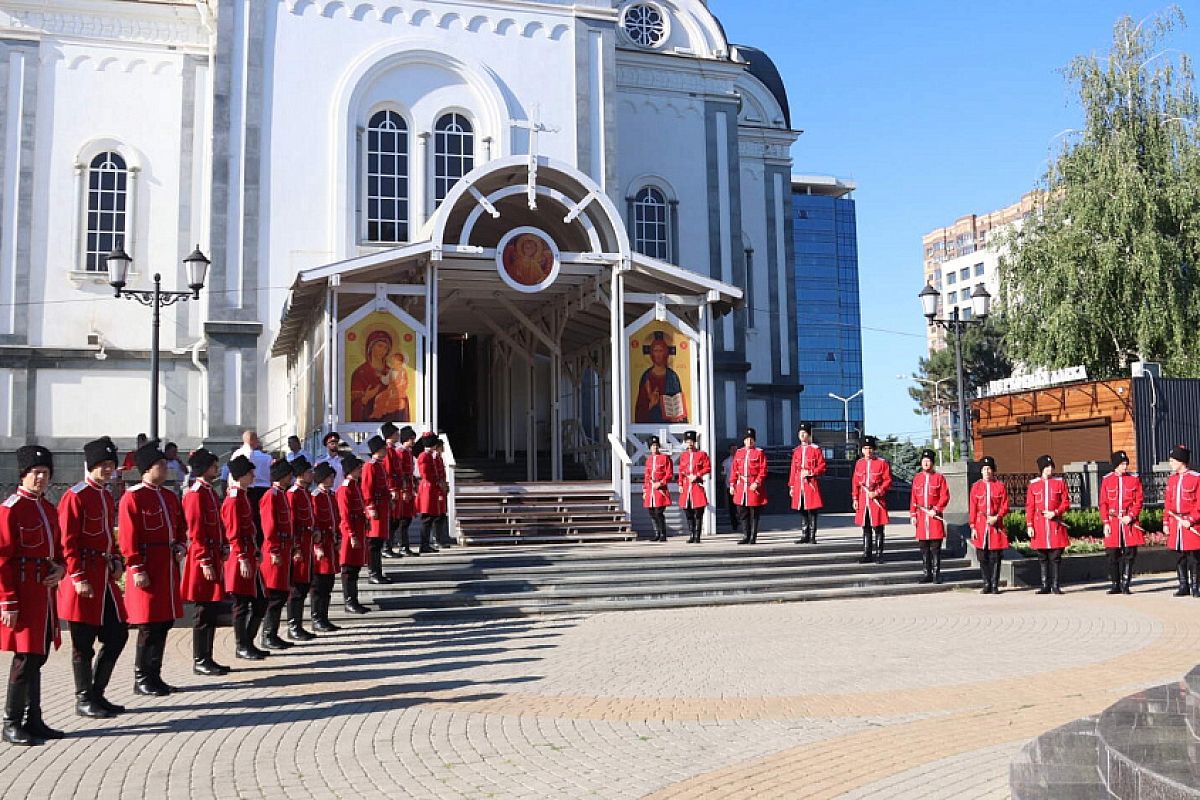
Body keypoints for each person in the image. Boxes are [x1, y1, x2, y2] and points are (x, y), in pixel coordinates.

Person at [0, 445, 66, 745]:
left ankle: (34, 717)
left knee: (37, 656)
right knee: (25, 658)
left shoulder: (49, 508)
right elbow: (2, 560)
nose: (41, 478)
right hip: (23, 594)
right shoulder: (10, 509)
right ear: (24, 475)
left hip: (44, 592)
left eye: (46, 473)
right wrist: (8, 600)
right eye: (36, 473)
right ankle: (11, 721)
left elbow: (59, 550)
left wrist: (61, 569)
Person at [58, 437, 127, 719]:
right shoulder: (75, 495)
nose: (108, 470)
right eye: (103, 465)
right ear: (90, 465)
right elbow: (68, 540)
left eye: (111, 465)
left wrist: (116, 559)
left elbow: (107, 536)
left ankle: (97, 692)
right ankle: (84, 697)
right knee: (83, 643)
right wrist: (76, 574)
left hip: (104, 575)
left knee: (118, 634)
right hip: (83, 576)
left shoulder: (105, 494)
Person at [119, 440, 186, 696]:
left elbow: (180, 526)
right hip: (148, 565)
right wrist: (136, 567)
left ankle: (155, 674)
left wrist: (180, 544)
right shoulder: (133, 497)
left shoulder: (168, 496)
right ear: (147, 468)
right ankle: (141, 676)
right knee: (148, 625)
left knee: (163, 622)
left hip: (166, 565)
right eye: (160, 464)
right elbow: (128, 536)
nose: (165, 468)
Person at [180, 448, 229, 676]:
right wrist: (204, 560)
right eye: (213, 466)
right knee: (203, 611)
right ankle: (200, 658)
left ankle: (207, 656)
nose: (216, 469)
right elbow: (196, 531)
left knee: (211, 610)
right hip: (203, 559)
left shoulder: (208, 491)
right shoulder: (195, 494)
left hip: (213, 555)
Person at [222, 455, 269, 661]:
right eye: (250, 473)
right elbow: (233, 531)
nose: (253, 475)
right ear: (241, 475)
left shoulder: (243, 496)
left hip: (250, 553)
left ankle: (248, 641)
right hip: (240, 557)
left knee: (260, 601)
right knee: (242, 603)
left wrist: (255, 550)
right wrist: (242, 556)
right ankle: (242, 644)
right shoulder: (233, 499)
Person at [258, 459, 297, 650]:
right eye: (288, 474)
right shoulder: (271, 495)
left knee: (281, 593)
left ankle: (272, 632)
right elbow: (269, 525)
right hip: (275, 549)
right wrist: (274, 549)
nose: (291, 477)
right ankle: (267, 634)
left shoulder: (281, 495)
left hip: (285, 547)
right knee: (275, 595)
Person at [1099, 450, 1144, 595]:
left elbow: (1138, 501)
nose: (1124, 467)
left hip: (1128, 521)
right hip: (1113, 521)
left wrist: (1131, 516)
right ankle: (1115, 584)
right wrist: (1105, 522)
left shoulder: (1134, 479)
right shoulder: (1107, 480)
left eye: (1125, 464)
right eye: (1121, 464)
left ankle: (1126, 583)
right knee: (1112, 554)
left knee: (1130, 553)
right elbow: (1103, 503)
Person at [1026, 455, 1070, 595]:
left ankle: (1056, 584)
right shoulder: (1034, 485)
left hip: (1054, 524)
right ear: (1041, 469)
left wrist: (1056, 512)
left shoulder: (1059, 483)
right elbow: (1030, 506)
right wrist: (1029, 525)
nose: (1050, 469)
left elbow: (1066, 502)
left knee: (1055, 556)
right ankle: (1045, 584)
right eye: (1047, 467)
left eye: (1051, 466)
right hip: (1040, 525)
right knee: (1042, 556)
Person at [285, 457, 316, 641]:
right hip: (299, 546)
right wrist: (295, 547)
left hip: (308, 542)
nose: (311, 474)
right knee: (296, 588)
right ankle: (293, 625)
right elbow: (292, 523)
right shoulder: (293, 494)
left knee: (304, 586)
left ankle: (298, 623)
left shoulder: (304, 492)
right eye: (308, 472)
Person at [969, 456, 1010, 595]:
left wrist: (996, 517)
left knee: (996, 557)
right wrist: (973, 526)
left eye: (989, 469)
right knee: (982, 556)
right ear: (981, 471)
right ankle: (986, 583)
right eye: (984, 469)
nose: (987, 471)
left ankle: (994, 584)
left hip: (995, 526)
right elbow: (973, 507)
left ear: (993, 471)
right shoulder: (976, 487)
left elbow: (1005, 505)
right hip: (981, 526)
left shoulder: (1000, 486)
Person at [1164, 444, 1200, 597]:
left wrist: (1191, 519)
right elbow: (1168, 504)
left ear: (1181, 461)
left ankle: (1196, 586)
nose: (1170, 463)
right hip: (1176, 523)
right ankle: (1183, 585)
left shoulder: (1196, 478)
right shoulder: (1172, 480)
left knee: (1194, 557)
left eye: (1173, 460)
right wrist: (1166, 522)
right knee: (1179, 556)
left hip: (1190, 523)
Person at [309, 462, 341, 632]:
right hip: (321, 545)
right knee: (318, 585)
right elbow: (315, 522)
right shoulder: (315, 496)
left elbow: (336, 519)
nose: (331, 479)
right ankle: (317, 617)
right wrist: (317, 545)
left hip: (331, 543)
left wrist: (338, 537)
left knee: (328, 583)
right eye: (329, 477)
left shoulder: (331, 495)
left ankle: (324, 616)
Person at [909, 449, 949, 583]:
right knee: (924, 547)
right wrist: (913, 514)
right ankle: (927, 573)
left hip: (933, 517)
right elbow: (914, 498)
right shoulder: (917, 478)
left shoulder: (939, 478)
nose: (926, 463)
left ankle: (937, 574)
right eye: (924, 461)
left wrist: (937, 509)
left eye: (928, 461)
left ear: (932, 463)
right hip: (921, 516)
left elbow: (945, 496)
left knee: (935, 548)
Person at [852, 436, 893, 563]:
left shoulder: (882, 463)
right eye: (865, 448)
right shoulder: (859, 464)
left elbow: (888, 481)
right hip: (864, 500)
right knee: (866, 527)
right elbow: (855, 482)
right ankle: (867, 554)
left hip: (877, 501)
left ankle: (879, 554)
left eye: (870, 448)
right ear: (862, 450)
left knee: (878, 528)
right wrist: (855, 498)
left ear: (874, 449)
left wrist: (877, 492)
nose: (868, 451)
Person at [337, 455, 370, 614]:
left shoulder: (355, 485)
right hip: (351, 531)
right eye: (358, 468)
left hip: (359, 527)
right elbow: (344, 514)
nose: (361, 470)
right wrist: (351, 534)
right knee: (349, 569)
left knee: (355, 568)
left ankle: (354, 600)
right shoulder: (345, 488)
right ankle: (349, 601)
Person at [634, 331, 688, 423]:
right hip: (650, 426)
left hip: (670, 425)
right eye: (655, 351)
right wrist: (651, 403)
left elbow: (678, 404)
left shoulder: (672, 376)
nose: (658, 354)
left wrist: (678, 415)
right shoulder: (646, 377)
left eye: (661, 350)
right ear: (651, 353)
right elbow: (640, 409)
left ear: (666, 353)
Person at [362, 435, 394, 584]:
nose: (385, 451)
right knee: (374, 542)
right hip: (376, 507)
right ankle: (373, 573)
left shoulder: (379, 465)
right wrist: (370, 506)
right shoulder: (370, 466)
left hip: (382, 506)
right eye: (383, 449)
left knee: (379, 541)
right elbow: (367, 488)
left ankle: (378, 571)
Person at [788, 423, 827, 544]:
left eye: (804, 433)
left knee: (812, 509)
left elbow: (822, 467)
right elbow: (793, 469)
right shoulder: (797, 451)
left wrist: (810, 472)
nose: (802, 435)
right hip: (799, 483)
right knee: (802, 509)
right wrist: (792, 486)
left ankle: (812, 535)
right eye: (800, 433)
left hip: (811, 484)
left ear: (809, 435)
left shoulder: (815, 449)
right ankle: (805, 534)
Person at [729, 428, 768, 545]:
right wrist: (732, 484)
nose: (749, 442)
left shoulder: (759, 453)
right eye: (747, 439)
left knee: (754, 513)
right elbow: (734, 469)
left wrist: (757, 482)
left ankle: (753, 536)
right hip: (741, 487)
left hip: (753, 486)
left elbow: (763, 469)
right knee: (742, 512)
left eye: (751, 439)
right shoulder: (739, 453)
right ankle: (745, 535)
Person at [232, 431, 273, 538]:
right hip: (253, 488)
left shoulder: (237, 452)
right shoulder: (250, 453)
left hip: (242, 487)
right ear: (253, 440)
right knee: (254, 516)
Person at [416, 437, 449, 553]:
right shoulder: (424, 456)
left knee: (431, 517)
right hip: (428, 488)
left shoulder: (430, 455)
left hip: (432, 488)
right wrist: (438, 482)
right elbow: (425, 474)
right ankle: (424, 544)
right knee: (427, 518)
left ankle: (426, 544)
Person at [390, 426, 419, 557]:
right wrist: (404, 489)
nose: (413, 441)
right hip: (403, 489)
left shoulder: (408, 452)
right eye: (411, 439)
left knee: (406, 519)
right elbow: (400, 473)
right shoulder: (400, 452)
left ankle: (404, 545)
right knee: (400, 520)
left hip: (408, 486)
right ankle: (399, 545)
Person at [677, 431, 710, 544]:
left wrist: (697, 475)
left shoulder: (702, 454)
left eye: (691, 441)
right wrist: (680, 484)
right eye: (687, 442)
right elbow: (681, 471)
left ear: (695, 442)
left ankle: (697, 536)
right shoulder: (683, 455)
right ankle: (691, 534)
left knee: (698, 512)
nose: (689, 444)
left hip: (696, 485)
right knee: (688, 512)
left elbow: (707, 468)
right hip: (686, 487)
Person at [643, 436, 673, 542]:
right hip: (651, 490)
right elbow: (647, 476)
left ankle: (663, 534)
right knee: (651, 512)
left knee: (659, 512)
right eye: (652, 446)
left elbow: (669, 474)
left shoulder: (665, 458)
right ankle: (657, 533)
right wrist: (645, 490)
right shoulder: (649, 460)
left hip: (660, 490)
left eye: (656, 445)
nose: (654, 448)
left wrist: (661, 483)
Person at [720, 443, 739, 535]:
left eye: (736, 449)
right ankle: (734, 524)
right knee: (732, 507)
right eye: (732, 449)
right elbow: (723, 475)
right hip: (730, 486)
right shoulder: (726, 462)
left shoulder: (741, 459)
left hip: (741, 486)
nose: (734, 451)